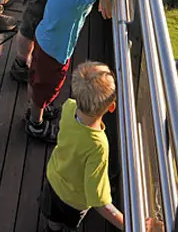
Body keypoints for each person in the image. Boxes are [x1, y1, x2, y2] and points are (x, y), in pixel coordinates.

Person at [25, 0, 127, 141]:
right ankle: (35, 123)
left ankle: (40, 107)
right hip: (55, 50)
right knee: (45, 87)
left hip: (44, 37)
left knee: (38, 79)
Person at [40, 61, 124, 231]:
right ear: (111, 107)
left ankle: (52, 228)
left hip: (54, 177)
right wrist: (128, 225)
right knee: (67, 219)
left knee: (53, 217)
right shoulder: (98, 145)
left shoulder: (69, 107)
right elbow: (98, 199)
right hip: (74, 199)